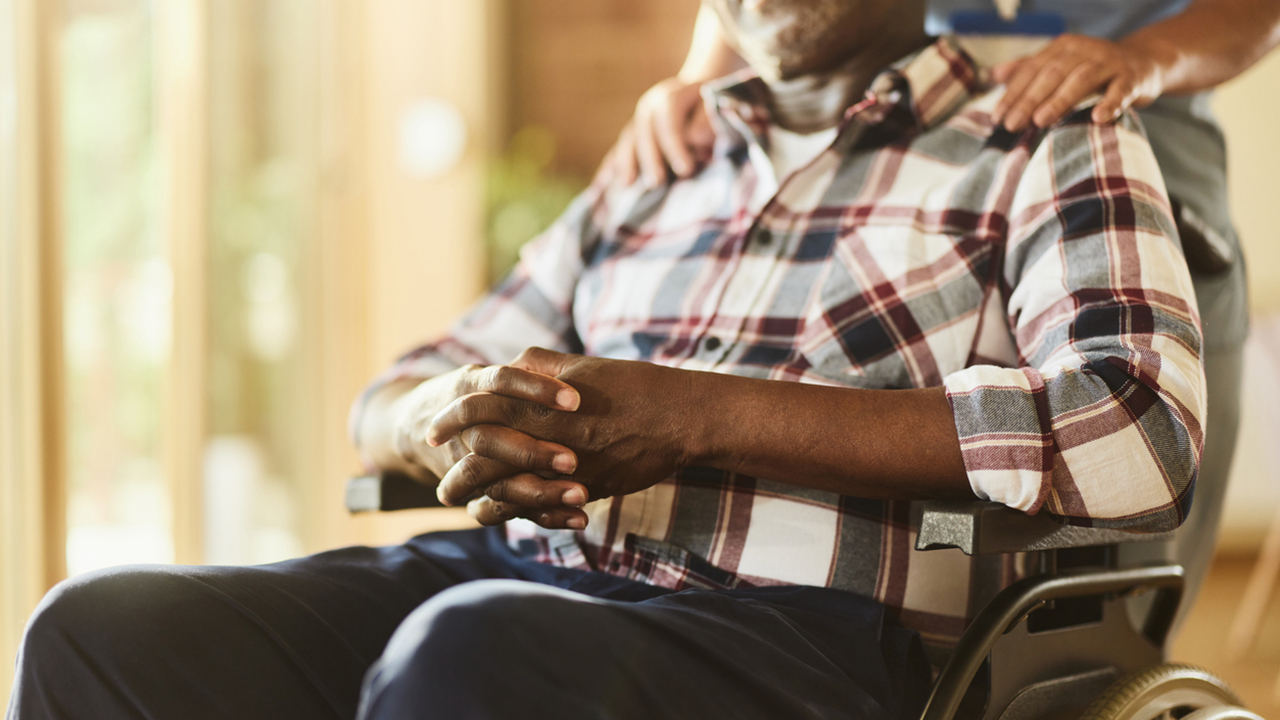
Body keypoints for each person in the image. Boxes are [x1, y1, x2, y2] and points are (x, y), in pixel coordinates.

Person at [8, 0, 1207, 718]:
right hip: (515, 572)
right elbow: (396, 389)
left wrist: (699, 418)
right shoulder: (658, 163)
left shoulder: (1040, 138)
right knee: (101, 632)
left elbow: (1136, 435)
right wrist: (443, 415)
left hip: (803, 632)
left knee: (473, 650)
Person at [605, 0, 1280, 630]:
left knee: (1109, 582)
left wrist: (1146, 58)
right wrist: (703, 77)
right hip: (922, 143)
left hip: (1119, 137)